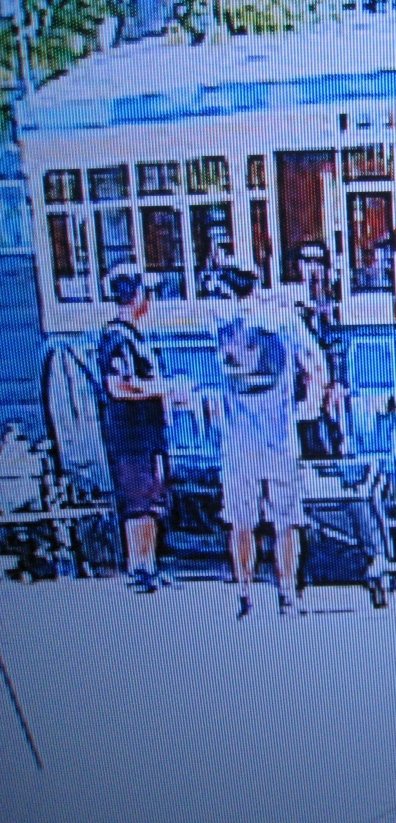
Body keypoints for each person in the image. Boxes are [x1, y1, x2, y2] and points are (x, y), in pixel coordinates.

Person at [213, 258, 328, 618]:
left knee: (241, 522)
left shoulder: (219, 322)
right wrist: (309, 407)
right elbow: (316, 364)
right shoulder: (283, 320)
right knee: (286, 520)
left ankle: (245, 593)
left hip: (237, 439)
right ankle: (288, 594)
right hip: (279, 436)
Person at [97, 263, 191, 593]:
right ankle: (138, 568)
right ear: (135, 295)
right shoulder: (116, 338)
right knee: (138, 503)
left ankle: (149, 565)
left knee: (152, 501)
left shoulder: (134, 337)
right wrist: (161, 389)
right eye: (145, 293)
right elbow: (117, 386)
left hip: (148, 434)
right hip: (131, 436)